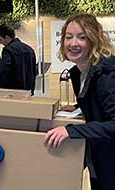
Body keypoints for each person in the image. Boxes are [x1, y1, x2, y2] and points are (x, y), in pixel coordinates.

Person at [44, 13, 115, 190]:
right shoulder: (78, 73)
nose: (73, 43)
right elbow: (99, 103)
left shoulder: (108, 75)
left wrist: (71, 131)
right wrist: (78, 108)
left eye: (81, 37)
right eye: (69, 37)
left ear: (93, 40)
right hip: (99, 155)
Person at [0, 24, 37, 95]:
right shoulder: (29, 50)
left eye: (0, 39)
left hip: (13, 92)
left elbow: (4, 71)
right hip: (28, 92)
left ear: (7, 37)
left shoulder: (8, 50)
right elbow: (34, 72)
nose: (0, 43)